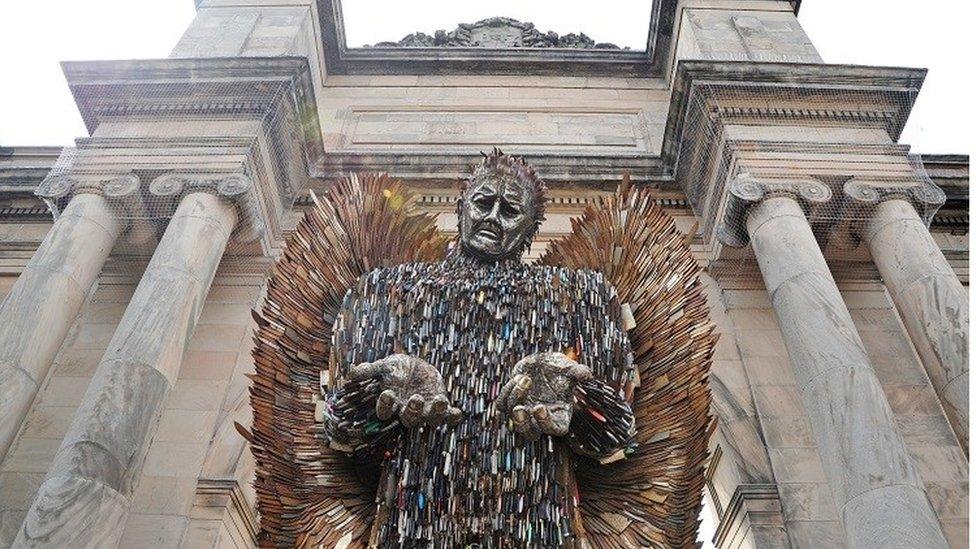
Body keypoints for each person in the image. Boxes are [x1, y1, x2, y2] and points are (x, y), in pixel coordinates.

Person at [323, 150, 635, 547]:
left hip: (536, 522)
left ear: (530, 228)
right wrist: (377, 398)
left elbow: (618, 434)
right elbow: (337, 425)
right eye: (483, 203)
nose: (491, 217)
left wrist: (576, 399)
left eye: (509, 210)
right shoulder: (387, 291)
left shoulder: (577, 297)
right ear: (461, 207)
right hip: (416, 521)